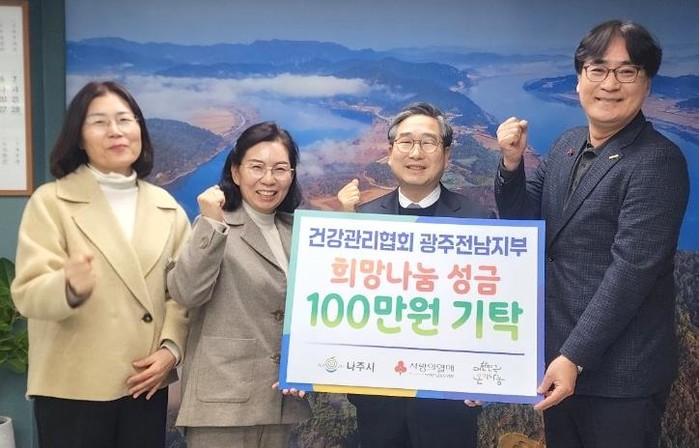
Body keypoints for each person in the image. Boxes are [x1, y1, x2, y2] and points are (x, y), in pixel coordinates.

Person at [494, 20, 689, 448]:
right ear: (579, 79)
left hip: (619, 377)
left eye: (627, 71)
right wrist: (511, 165)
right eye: (598, 69)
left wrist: (574, 356)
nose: (610, 83)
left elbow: (631, 272)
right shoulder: (567, 144)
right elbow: (526, 225)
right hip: (560, 362)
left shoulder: (658, 160)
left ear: (647, 83)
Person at [10, 81, 191, 447]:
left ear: (140, 129)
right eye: (99, 122)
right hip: (73, 387)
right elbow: (28, 294)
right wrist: (68, 287)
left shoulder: (167, 208)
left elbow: (182, 294)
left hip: (144, 382)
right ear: (78, 136)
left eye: (125, 119)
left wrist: (170, 351)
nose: (115, 131)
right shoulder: (52, 203)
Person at [337, 102, 492, 448]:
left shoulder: (479, 219)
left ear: (447, 155)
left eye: (428, 142)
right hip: (377, 402)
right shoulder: (363, 219)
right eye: (406, 142)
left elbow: (491, 310)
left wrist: (485, 379)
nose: (416, 153)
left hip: (450, 405)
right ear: (390, 152)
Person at [166, 121, 311, 448]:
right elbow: (187, 293)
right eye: (257, 167)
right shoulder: (215, 225)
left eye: (280, 169)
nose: (269, 179)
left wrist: (306, 367)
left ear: (292, 175)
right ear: (235, 172)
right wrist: (210, 223)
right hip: (222, 406)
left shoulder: (297, 231)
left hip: (279, 404)